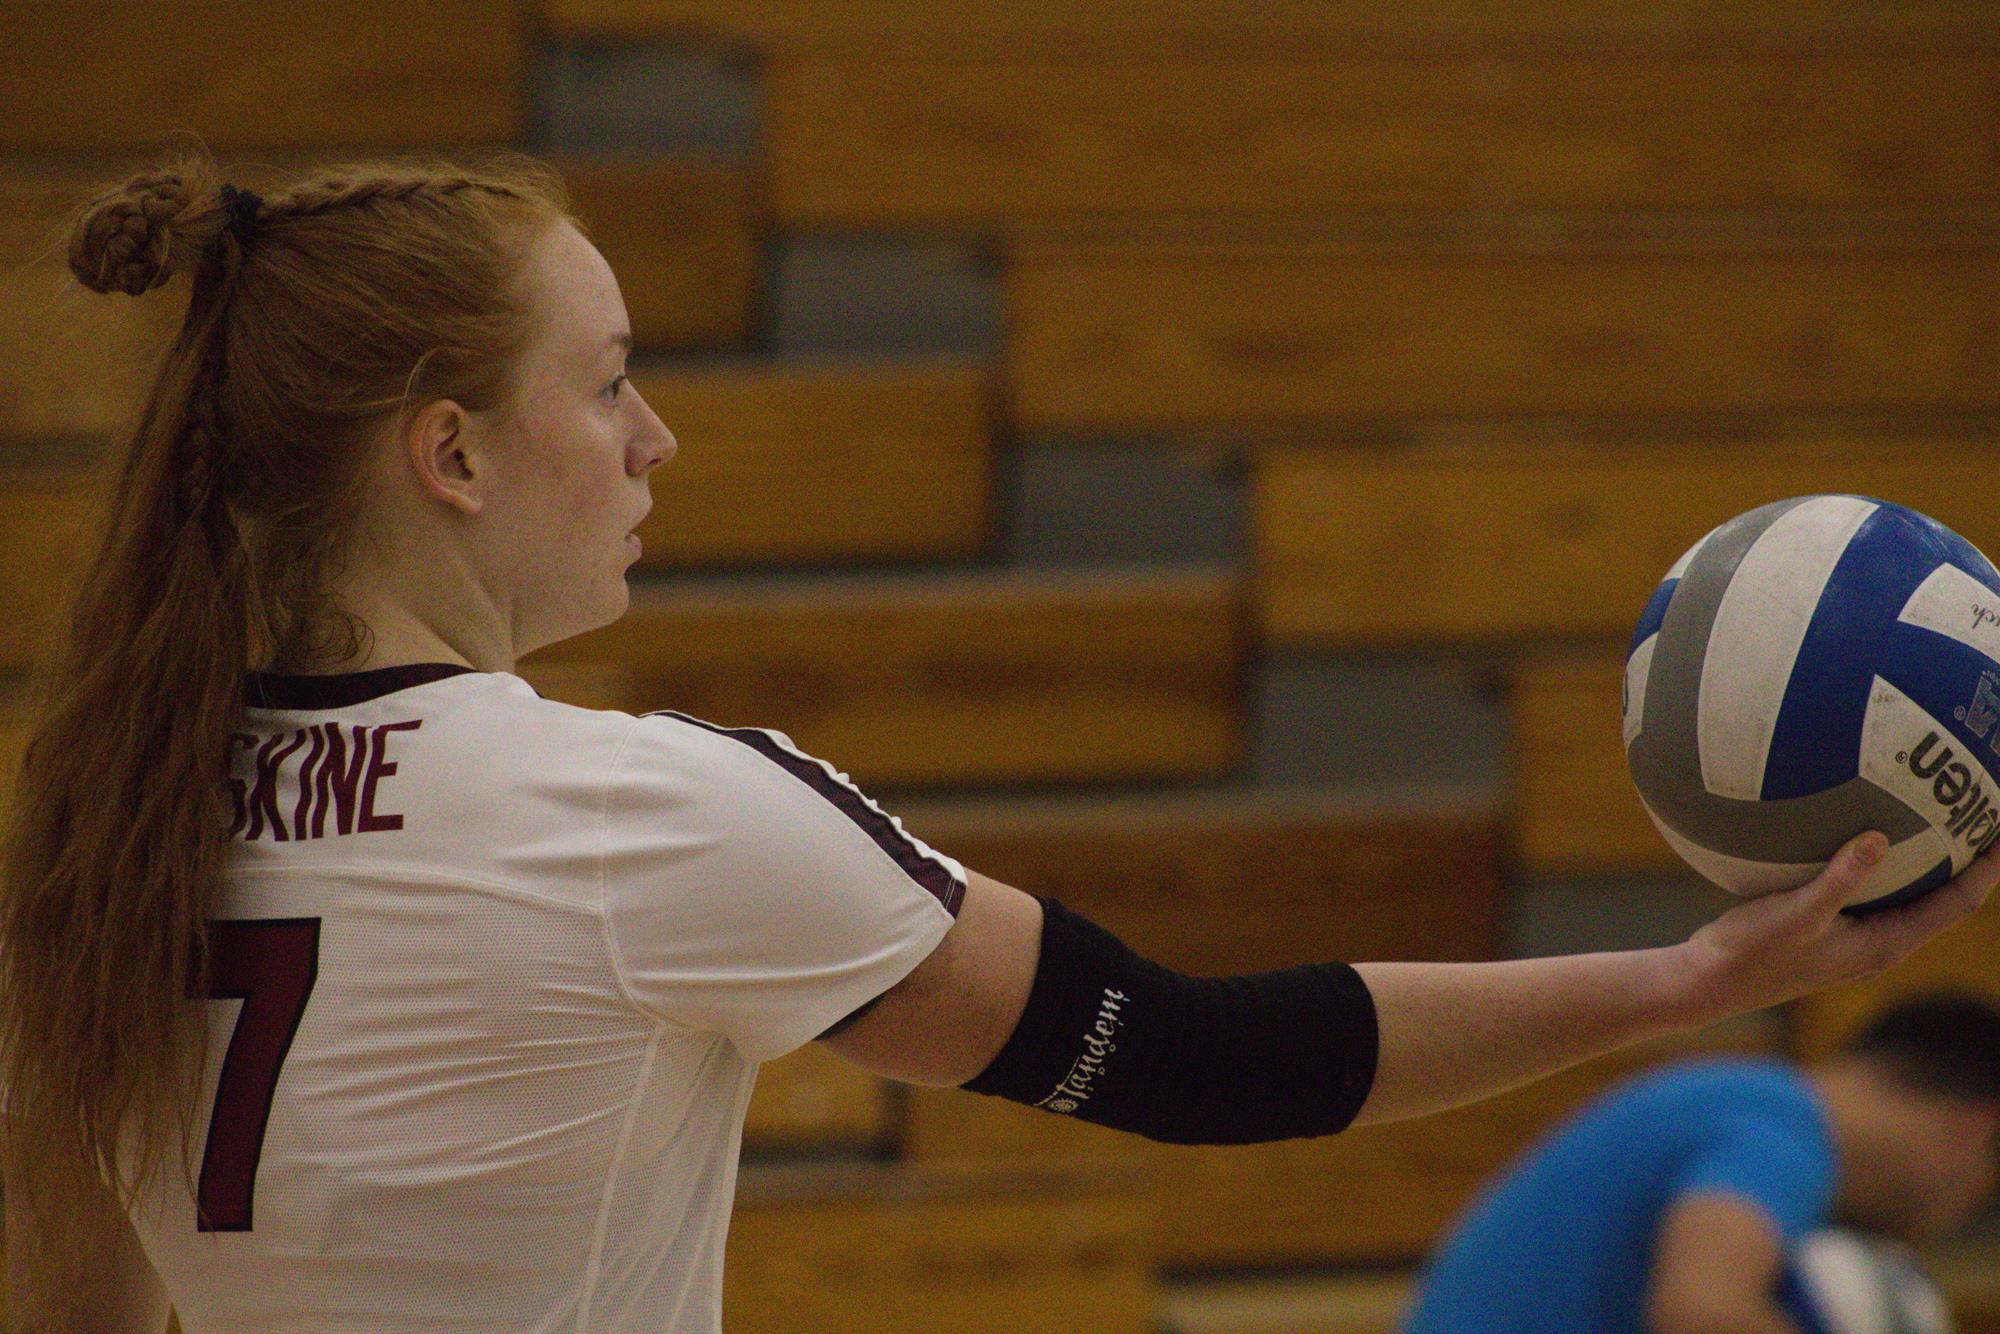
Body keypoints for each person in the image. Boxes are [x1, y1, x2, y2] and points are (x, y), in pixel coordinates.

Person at [1, 149, 1990, 1333]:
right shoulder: (636, 817)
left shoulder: (96, 839)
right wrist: (1697, 973)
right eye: (607, 383)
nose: (652, 437)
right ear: (445, 452)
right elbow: (1203, 1062)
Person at [1404, 993, 2000, 1334]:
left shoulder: (1738, 1100)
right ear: (1977, 1130)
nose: (1955, 1218)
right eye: (1984, 1193)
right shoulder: (1782, 1132)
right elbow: (1702, 1314)